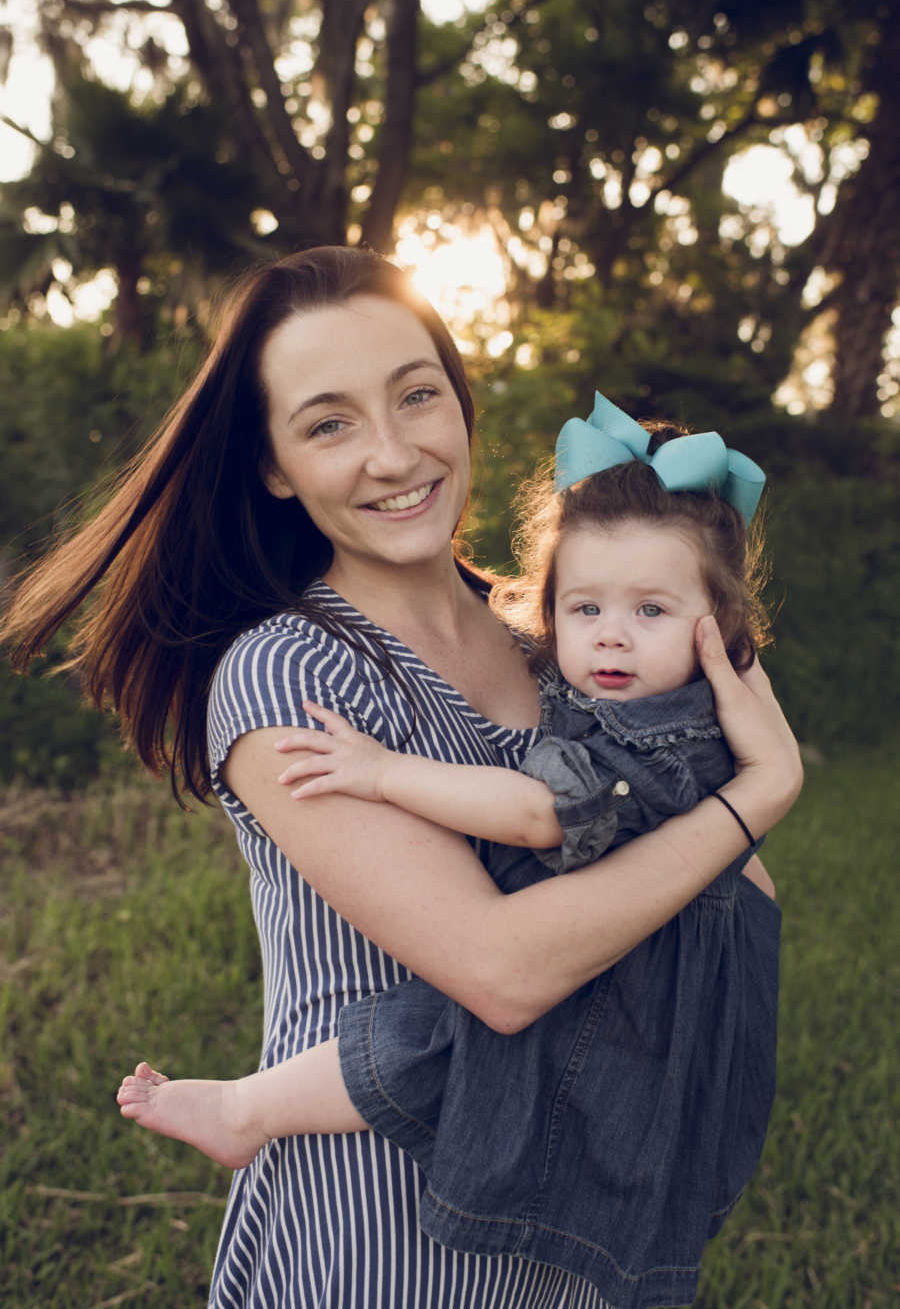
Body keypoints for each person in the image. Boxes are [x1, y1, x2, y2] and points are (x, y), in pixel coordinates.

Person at [3, 247, 802, 1309]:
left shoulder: (554, 640)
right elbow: (505, 972)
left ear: (460, 407)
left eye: (416, 395)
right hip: (385, 1236)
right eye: (330, 423)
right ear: (276, 464)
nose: (392, 453)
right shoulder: (292, 669)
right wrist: (757, 792)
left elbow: (718, 898)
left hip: (578, 1210)